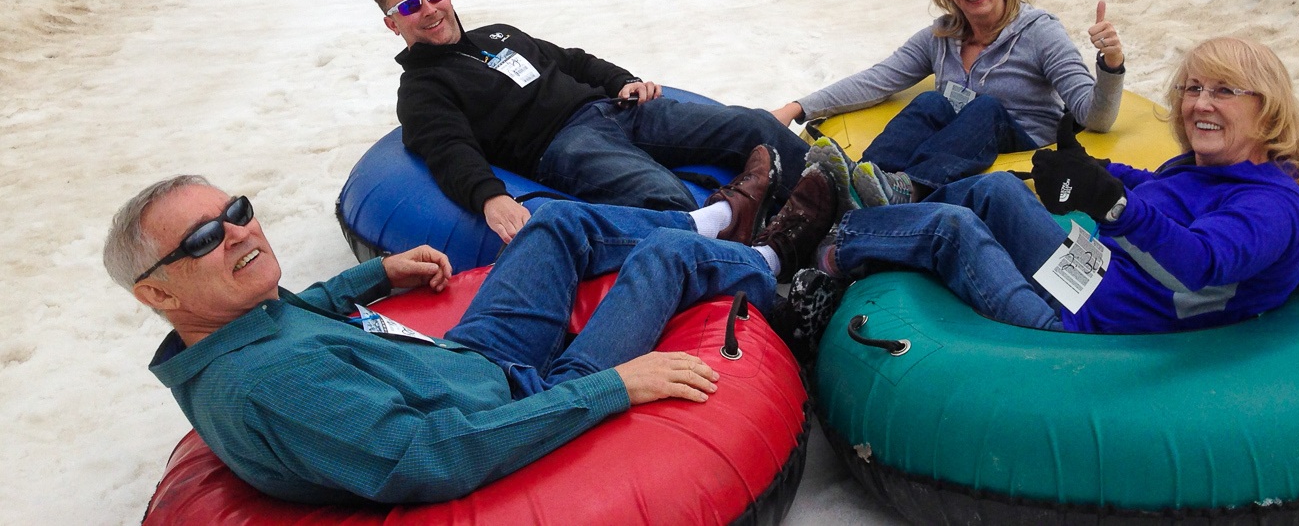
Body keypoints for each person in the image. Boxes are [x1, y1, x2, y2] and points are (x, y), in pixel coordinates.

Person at [105, 157, 841, 505]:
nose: (237, 232)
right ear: (157, 290)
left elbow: (307, 306)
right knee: (661, 262)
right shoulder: (269, 383)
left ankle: (714, 218)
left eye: (236, 209)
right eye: (205, 236)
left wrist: (375, 275)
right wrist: (612, 386)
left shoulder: (234, 323)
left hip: (469, 357)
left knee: (554, 222)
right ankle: (776, 265)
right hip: (517, 400)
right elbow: (433, 455)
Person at [783, 37, 1299, 355]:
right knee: (998, 188)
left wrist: (1113, 205)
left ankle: (829, 241)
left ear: (1266, 109)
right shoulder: (1213, 169)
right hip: (1091, 278)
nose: (1201, 103)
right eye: (1193, 88)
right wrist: (1093, 168)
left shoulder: (1271, 208)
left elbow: (1200, 265)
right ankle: (878, 212)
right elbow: (1163, 188)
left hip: (1081, 326)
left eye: (1224, 91)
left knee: (953, 230)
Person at [375, 0, 809, 243]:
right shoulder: (422, 88)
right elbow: (447, 147)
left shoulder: (497, 34)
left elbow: (573, 62)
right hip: (562, 146)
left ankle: (838, 195)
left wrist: (624, 81)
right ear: (393, 24)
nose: (430, 10)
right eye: (411, 6)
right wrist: (489, 196)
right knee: (666, 199)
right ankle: (762, 257)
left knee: (751, 125)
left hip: (615, 111)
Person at [772, 0, 1125, 206]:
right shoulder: (941, 36)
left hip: (1022, 147)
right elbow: (879, 79)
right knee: (930, 103)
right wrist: (797, 107)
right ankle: (858, 183)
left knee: (985, 107)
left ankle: (909, 189)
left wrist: (1111, 64)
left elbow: (1094, 116)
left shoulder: (1040, 32)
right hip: (954, 147)